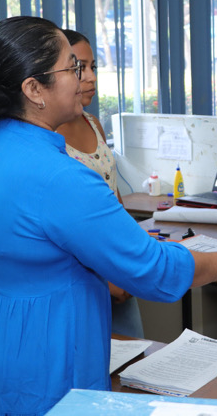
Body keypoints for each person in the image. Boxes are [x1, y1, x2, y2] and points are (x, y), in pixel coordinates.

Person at [0, 16, 217, 415]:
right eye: (72, 67)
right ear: (34, 89)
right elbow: (150, 269)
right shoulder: (60, 177)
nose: (83, 77)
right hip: (45, 361)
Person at [56, 29, 144, 338]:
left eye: (94, 66)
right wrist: (107, 278)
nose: (91, 77)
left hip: (116, 263)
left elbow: (116, 203)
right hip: (84, 274)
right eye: (80, 68)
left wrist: (134, 256)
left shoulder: (93, 124)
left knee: (133, 361)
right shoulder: (45, 140)